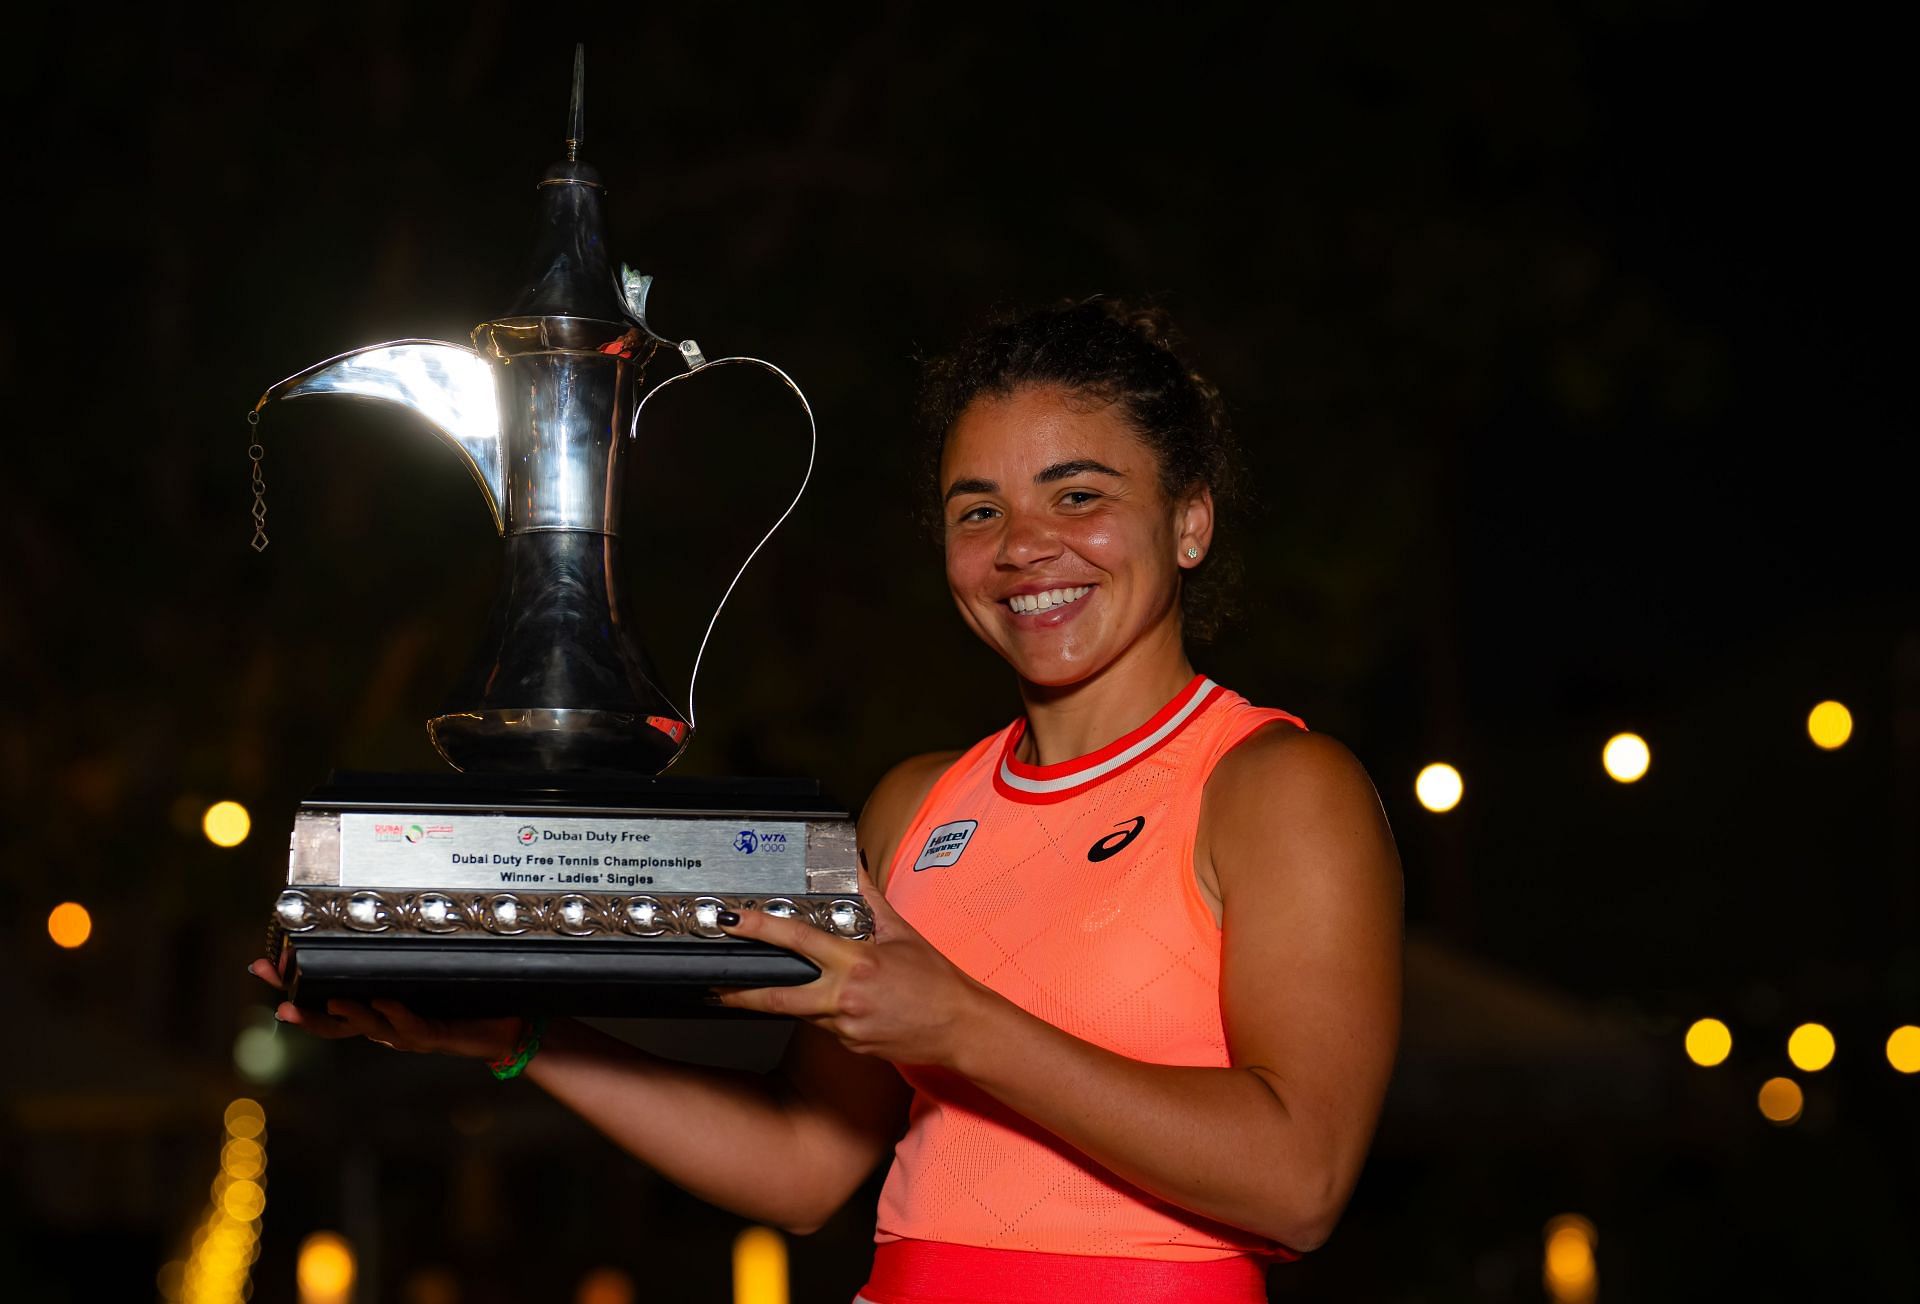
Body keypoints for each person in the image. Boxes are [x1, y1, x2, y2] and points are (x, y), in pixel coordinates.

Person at [252, 298, 1403, 1304]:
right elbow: (807, 1167)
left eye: (1079, 493)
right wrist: (523, 1034)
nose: (1024, 549)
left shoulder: (1277, 785)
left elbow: (1300, 1184)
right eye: (977, 511)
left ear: (1190, 519)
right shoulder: (916, 804)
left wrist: (957, 1020)